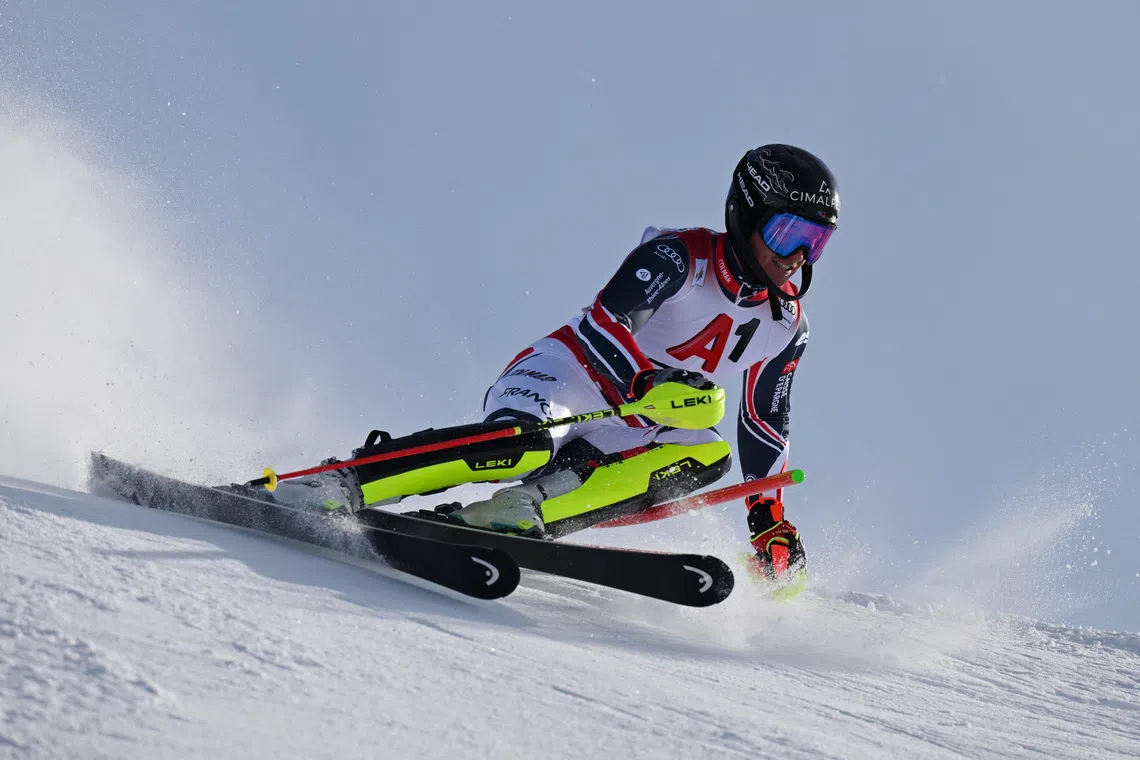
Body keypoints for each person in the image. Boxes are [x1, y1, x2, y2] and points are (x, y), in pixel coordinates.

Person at [316, 144, 839, 585]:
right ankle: (344, 482)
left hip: (628, 426)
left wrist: (768, 521)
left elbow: (765, 422)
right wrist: (644, 381)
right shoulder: (679, 257)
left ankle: (520, 512)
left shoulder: (786, 324)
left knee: (706, 451)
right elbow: (606, 325)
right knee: (524, 446)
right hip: (566, 380)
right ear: (746, 215)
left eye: (814, 242)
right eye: (786, 233)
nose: (796, 255)